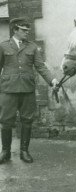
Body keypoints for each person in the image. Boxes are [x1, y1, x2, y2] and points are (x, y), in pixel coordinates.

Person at [0, 17, 59, 164]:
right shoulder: (3, 46)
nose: (27, 32)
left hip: (27, 89)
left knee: (27, 120)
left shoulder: (32, 47)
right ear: (15, 30)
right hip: (8, 89)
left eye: (28, 30)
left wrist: (52, 80)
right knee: (6, 121)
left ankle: (24, 151)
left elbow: (40, 66)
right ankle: (5, 151)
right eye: (24, 30)